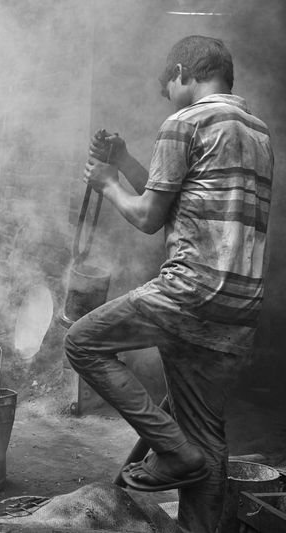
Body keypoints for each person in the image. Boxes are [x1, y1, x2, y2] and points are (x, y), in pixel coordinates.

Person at [66, 35, 273, 532]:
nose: (167, 96)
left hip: (190, 290)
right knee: (208, 438)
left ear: (182, 71)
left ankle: (174, 452)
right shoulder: (259, 132)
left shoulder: (184, 121)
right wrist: (126, 160)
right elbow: (181, 195)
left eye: (168, 85)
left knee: (83, 342)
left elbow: (148, 216)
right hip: (238, 308)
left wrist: (107, 181)